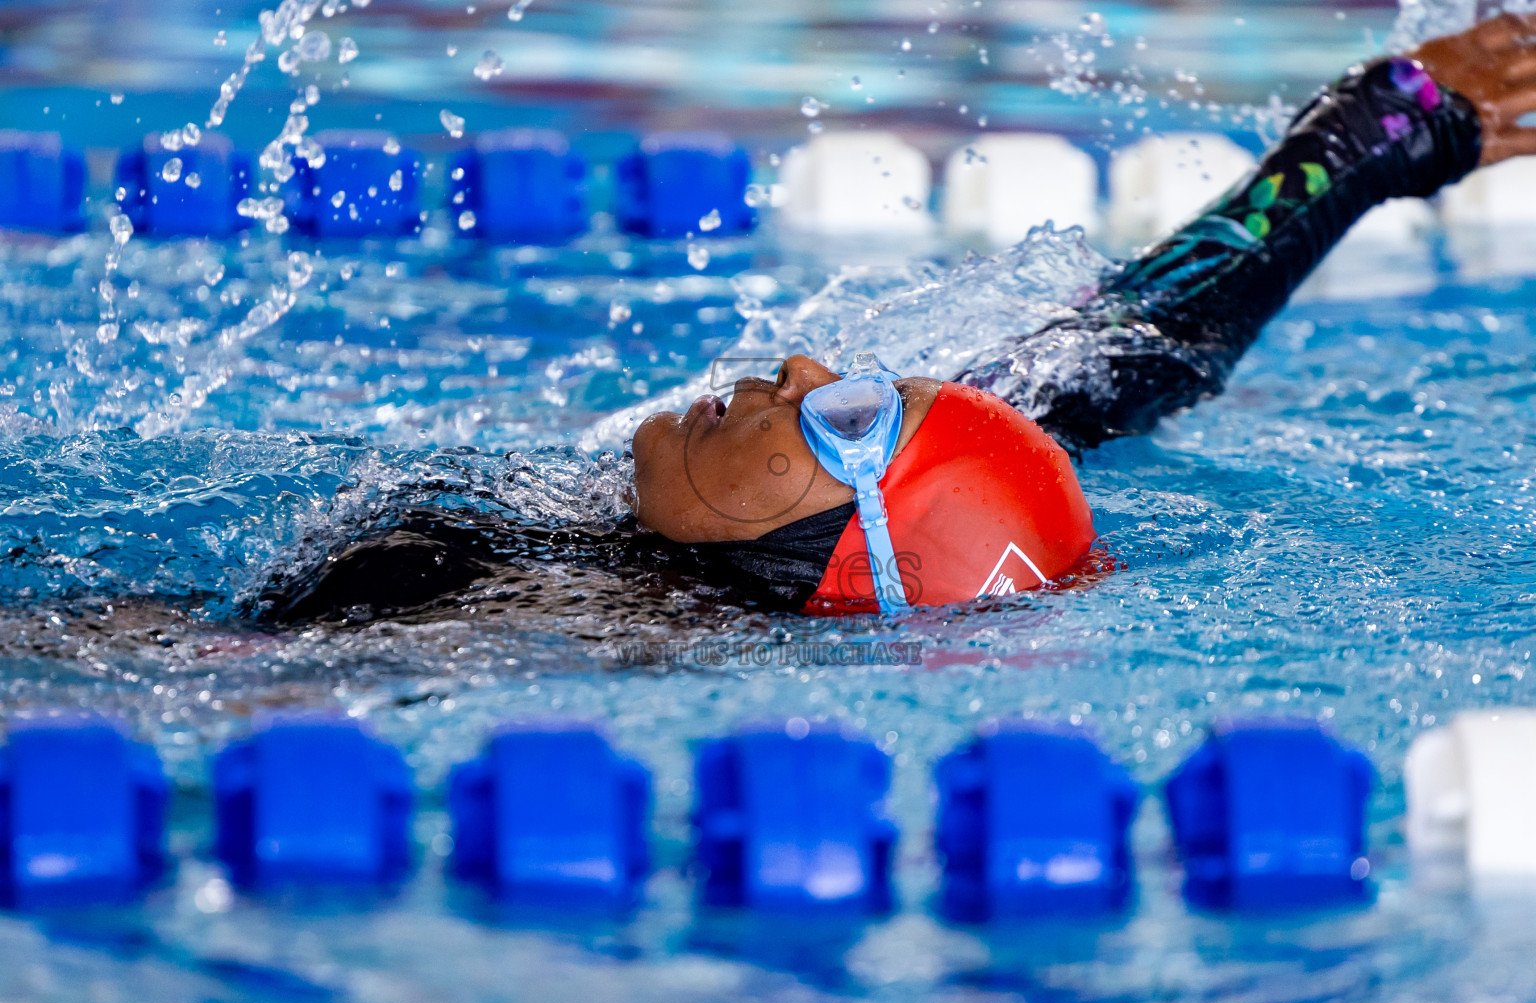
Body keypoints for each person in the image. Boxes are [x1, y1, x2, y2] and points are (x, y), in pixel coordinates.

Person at [267, 16, 1536, 624]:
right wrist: (1372, 134)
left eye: (849, 414)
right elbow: (1133, 359)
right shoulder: (801, 537)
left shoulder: (524, 629)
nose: (804, 362)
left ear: (843, 547)